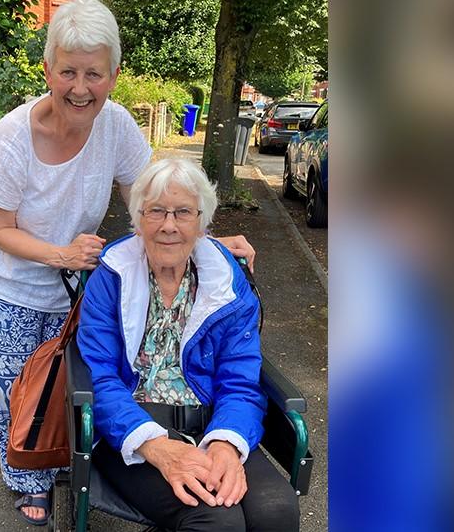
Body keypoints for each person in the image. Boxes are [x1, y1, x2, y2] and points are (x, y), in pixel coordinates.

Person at [0, 0, 255, 526]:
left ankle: (65, 463)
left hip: (80, 284)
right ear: (48, 69)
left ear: (113, 75)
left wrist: (201, 240)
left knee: (68, 383)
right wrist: (61, 254)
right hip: (8, 284)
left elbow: (149, 199)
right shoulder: (13, 136)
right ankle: (26, 479)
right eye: (68, 71)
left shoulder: (117, 126)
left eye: (94, 74)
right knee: (20, 391)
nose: (80, 87)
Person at [76, 158, 299, 531]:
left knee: (276, 511)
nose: (168, 225)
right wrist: (157, 446)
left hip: (214, 421)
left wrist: (227, 445)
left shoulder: (226, 284)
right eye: (156, 211)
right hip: (133, 428)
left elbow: (240, 380)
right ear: (138, 218)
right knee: (215, 520)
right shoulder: (111, 278)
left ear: (201, 223)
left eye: (182, 213)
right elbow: (100, 377)